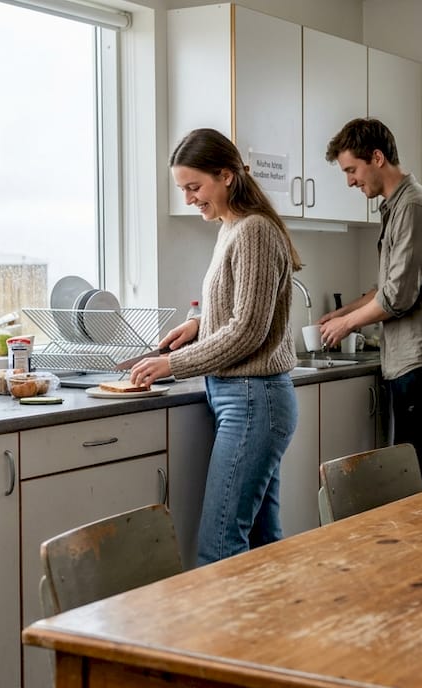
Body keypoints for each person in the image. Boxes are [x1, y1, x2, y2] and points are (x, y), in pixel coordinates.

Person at [129, 128, 303, 564]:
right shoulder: (230, 228)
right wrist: (198, 324)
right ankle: (271, 633)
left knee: (220, 548)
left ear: (226, 175)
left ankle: (226, 636)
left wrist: (173, 363)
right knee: (262, 547)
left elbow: (248, 330)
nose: (189, 198)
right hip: (244, 398)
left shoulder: (254, 231)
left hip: (253, 399)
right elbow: (243, 307)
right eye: (182, 189)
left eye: (194, 186)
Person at [318, 118, 422, 490]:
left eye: (352, 169)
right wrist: (343, 312)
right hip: (417, 361)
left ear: (378, 158)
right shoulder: (399, 207)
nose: (350, 180)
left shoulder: (413, 208)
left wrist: (347, 325)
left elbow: (398, 296)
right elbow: (388, 285)